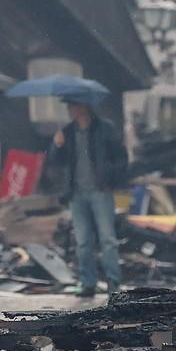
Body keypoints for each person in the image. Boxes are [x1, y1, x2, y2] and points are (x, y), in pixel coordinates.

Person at [47, 101, 127, 297]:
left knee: (107, 238)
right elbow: (55, 161)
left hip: (100, 191)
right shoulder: (67, 132)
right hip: (76, 193)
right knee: (83, 241)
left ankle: (113, 282)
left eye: (72, 106)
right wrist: (56, 146)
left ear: (84, 107)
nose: (69, 110)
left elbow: (121, 156)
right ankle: (88, 283)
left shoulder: (104, 129)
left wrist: (111, 179)